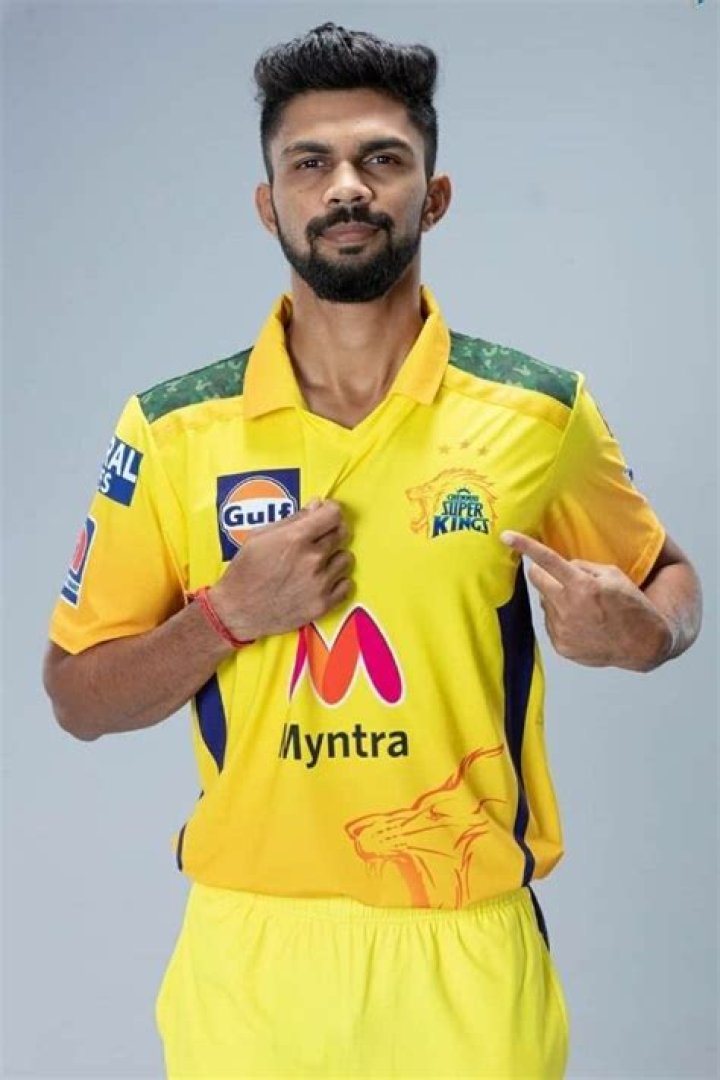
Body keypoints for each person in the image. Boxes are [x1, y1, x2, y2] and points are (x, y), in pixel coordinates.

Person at [43, 22, 702, 1080]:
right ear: (270, 205)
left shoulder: (538, 413)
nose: (345, 186)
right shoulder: (172, 431)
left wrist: (648, 634)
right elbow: (77, 698)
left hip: (466, 954)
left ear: (433, 196)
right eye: (310, 163)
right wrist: (225, 617)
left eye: (380, 159)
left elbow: (669, 576)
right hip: (250, 958)